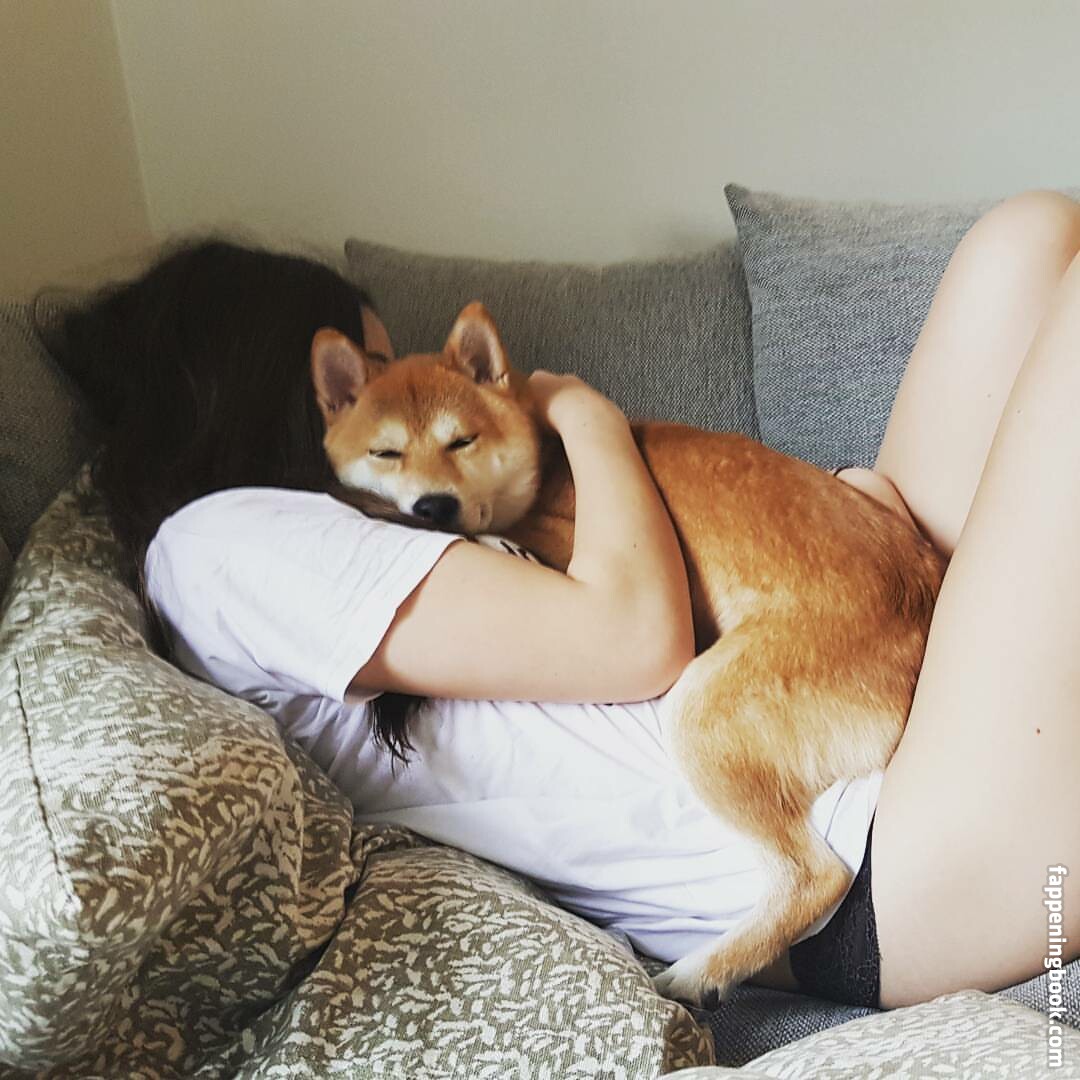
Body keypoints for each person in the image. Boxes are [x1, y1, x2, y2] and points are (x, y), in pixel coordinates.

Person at [52, 189, 1080, 1013]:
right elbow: (634, 639)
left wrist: (849, 527)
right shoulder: (222, 543)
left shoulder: (350, 538)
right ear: (306, 389)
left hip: (870, 733)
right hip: (884, 876)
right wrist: (585, 414)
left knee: (1027, 236)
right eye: (375, 368)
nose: (408, 386)